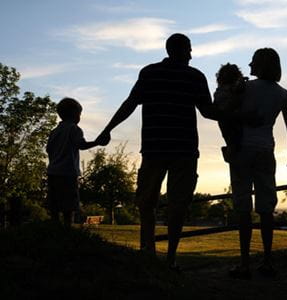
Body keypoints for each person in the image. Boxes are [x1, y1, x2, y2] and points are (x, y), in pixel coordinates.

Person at [96, 33, 219, 270]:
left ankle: (148, 253)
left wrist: (107, 129)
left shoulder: (149, 73)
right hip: (184, 150)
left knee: (147, 203)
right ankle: (170, 258)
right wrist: (235, 110)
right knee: (178, 204)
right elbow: (208, 112)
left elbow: (130, 103)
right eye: (189, 50)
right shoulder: (194, 76)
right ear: (181, 50)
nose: (192, 55)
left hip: (154, 148)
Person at [228, 48, 287, 279]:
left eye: (253, 61)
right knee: (267, 208)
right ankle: (267, 261)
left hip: (242, 150)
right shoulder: (283, 94)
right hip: (266, 150)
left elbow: (227, 113)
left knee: (243, 207)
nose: (249, 65)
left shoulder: (245, 87)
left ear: (259, 64)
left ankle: (244, 263)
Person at [46, 97, 102, 227]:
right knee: (69, 205)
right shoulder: (74, 129)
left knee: (54, 205)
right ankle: (67, 230)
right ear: (74, 114)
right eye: (79, 114)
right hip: (68, 173)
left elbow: (48, 150)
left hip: (52, 172)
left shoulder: (54, 132)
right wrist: (97, 142)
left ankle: (53, 229)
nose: (79, 117)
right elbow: (81, 145)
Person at [213, 63, 247, 162]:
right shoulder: (231, 90)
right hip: (233, 125)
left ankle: (230, 151)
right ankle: (231, 151)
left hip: (228, 124)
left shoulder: (219, 92)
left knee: (232, 142)